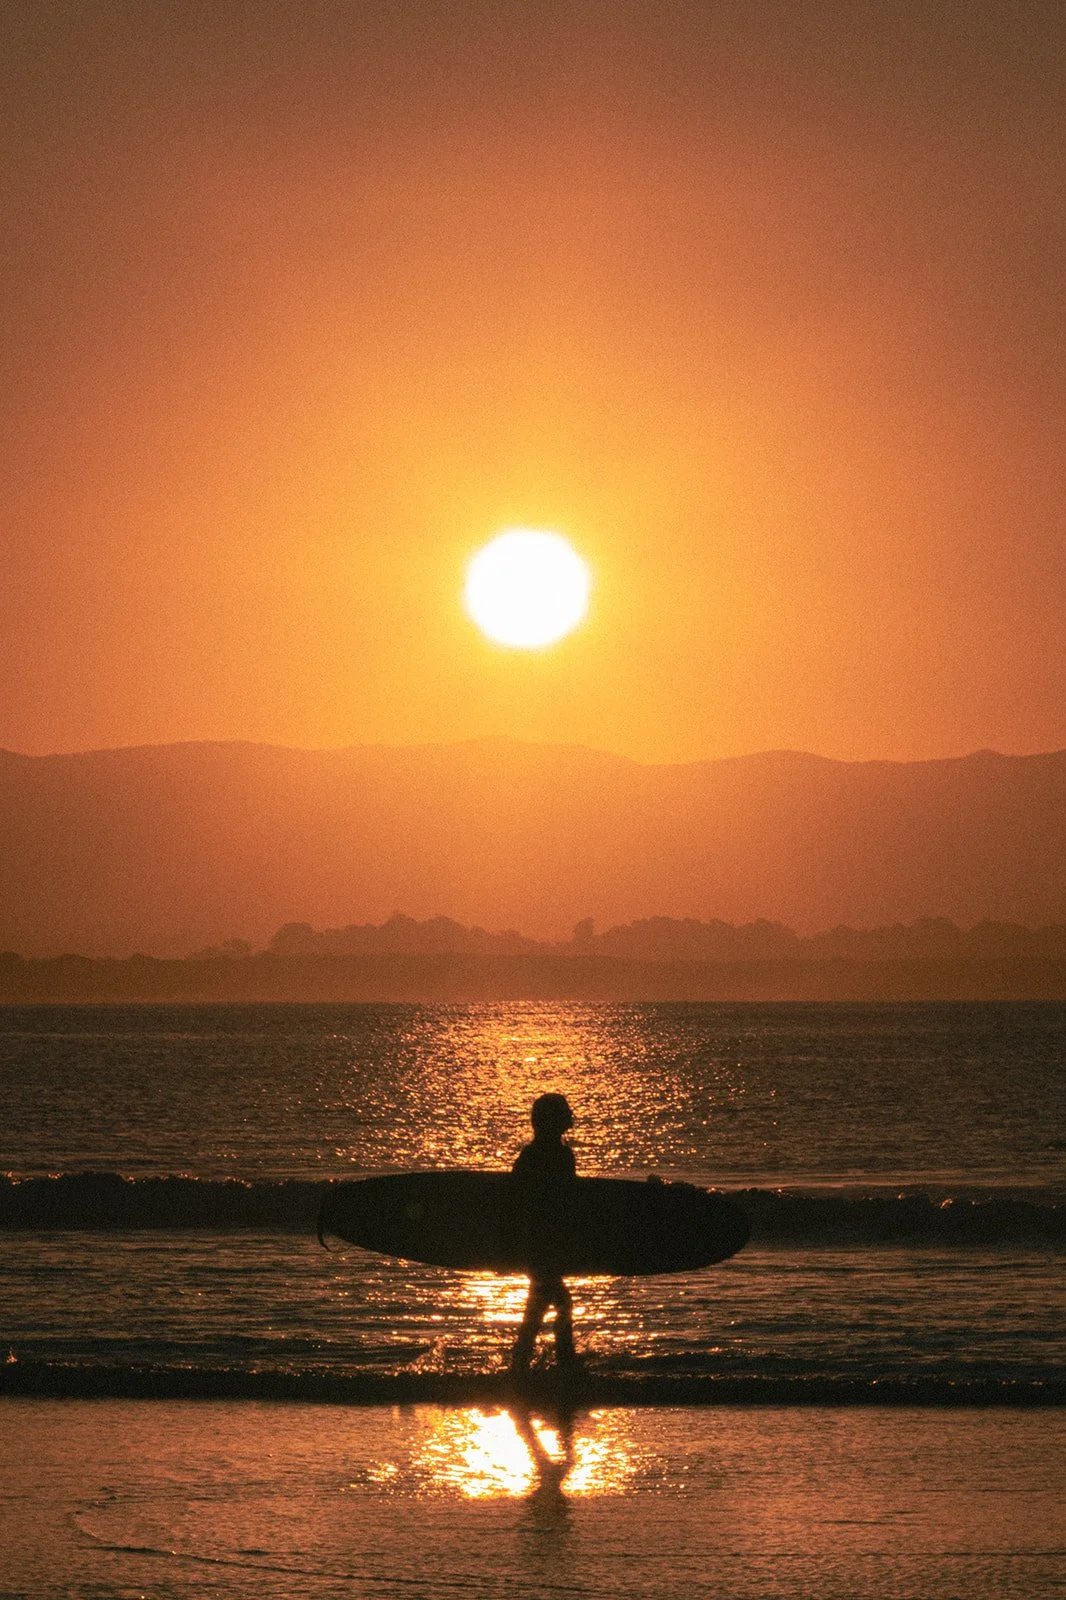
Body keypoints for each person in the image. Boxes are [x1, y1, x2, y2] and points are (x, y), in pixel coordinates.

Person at [509, 1093, 580, 1373]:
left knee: (538, 1305)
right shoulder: (540, 1156)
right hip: (538, 1244)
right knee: (559, 1301)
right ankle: (564, 1365)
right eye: (564, 1113)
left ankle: (523, 1367)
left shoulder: (557, 1154)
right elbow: (522, 1201)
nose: (570, 1116)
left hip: (544, 1244)